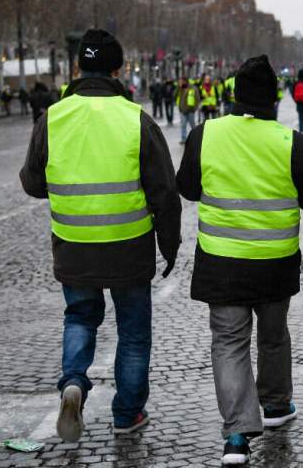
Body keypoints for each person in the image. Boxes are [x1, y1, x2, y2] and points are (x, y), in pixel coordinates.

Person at [19, 29, 181, 444]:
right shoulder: (135, 119)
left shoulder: (51, 119)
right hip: (129, 246)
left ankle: (73, 381)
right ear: (118, 69)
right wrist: (170, 243)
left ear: (76, 67)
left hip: (73, 245)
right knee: (132, 332)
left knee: (79, 318)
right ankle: (127, 413)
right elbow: (164, 190)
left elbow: (33, 184)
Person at [176, 55, 303, 465]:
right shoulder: (293, 143)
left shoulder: (205, 135)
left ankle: (237, 435)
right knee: (273, 336)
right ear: (274, 99)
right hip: (275, 260)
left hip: (222, 260)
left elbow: (186, 188)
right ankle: (276, 405)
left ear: (233, 96)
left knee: (228, 342)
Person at [177, 77, 198, 144]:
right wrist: (179, 88)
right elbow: (174, 95)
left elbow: (197, 98)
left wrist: (195, 108)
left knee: (192, 125)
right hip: (182, 110)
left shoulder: (193, 88)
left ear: (185, 81)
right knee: (183, 125)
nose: (180, 83)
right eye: (179, 82)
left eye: (181, 81)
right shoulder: (180, 89)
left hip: (190, 110)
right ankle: (184, 139)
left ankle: (196, 138)